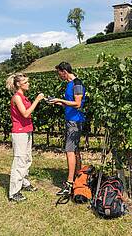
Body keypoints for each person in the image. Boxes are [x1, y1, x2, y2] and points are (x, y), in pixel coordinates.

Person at [6, 73, 44, 202]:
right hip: (20, 132)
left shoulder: (24, 97)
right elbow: (26, 114)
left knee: (27, 158)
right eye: (26, 82)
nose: (28, 84)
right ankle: (14, 192)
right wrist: (37, 100)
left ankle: (24, 182)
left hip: (27, 130)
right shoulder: (17, 97)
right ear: (18, 84)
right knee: (19, 160)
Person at [49, 62, 86, 196]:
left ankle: (69, 183)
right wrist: (57, 102)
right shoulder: (70, 85)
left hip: (75, 122)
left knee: (69, 151)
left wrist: (61, 99)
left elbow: (77, 104)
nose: (59, 76)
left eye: (59, 73)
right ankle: (78, 177)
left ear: (64, 71)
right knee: (74, 150)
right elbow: (70, 104)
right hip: (71, 120)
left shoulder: (77, 84)